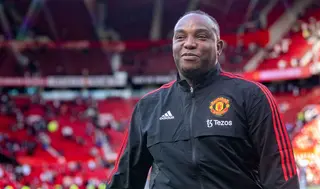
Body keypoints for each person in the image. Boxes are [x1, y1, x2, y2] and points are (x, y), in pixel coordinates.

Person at [106, 10, 299, 189]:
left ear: (219, 47)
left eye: (201, 36)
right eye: (180, 37)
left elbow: (280, 174)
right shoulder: (148, 107)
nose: (189, 43)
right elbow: (124, 179)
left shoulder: (252, 96)